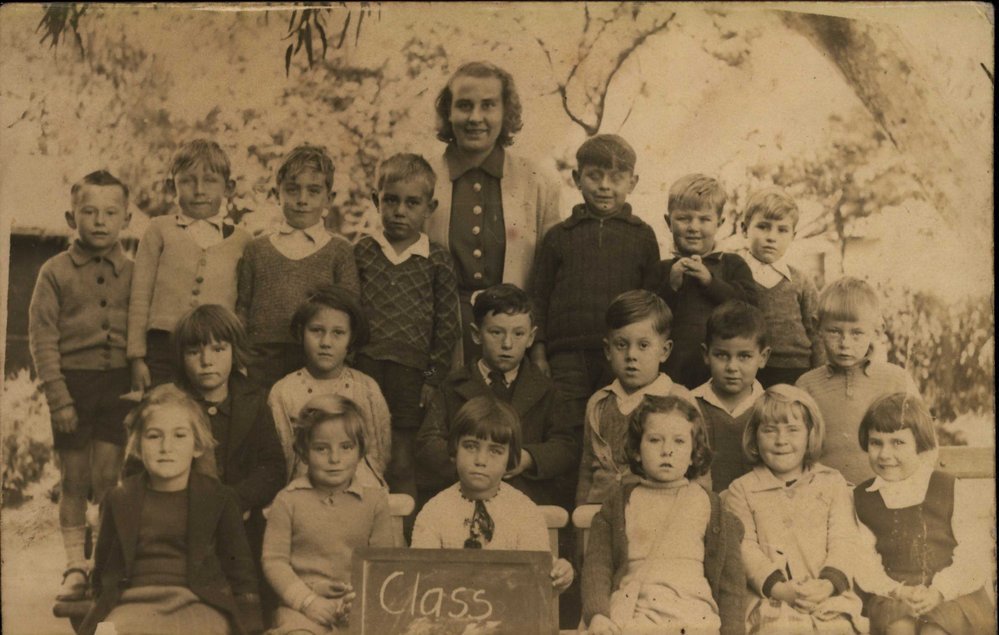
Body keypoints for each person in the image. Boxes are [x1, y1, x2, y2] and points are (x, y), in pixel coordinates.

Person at [79, 384, 262, 635]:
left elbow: (241, 574)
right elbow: (102, 571)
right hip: (131, 604)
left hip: (201, 603)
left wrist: (251, 626)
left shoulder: (219, 498)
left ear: (197, 446)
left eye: (179, 435)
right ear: (138, 447)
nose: (166, 446)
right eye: (154, 436)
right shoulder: (119, 498)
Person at [28, 170, 135, 601]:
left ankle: (104, 563)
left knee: (110, 478)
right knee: (74, 478)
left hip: (119, 388)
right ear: (71, 218)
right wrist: (58, 398)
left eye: (111, 212)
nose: (99, 221)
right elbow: (41, 337)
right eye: (88, 212)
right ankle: (74, 564)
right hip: (73, 386)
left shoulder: (135, 271)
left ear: (126, 218)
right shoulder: (53, 272)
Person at [426, 61, 561, 364]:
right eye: (464, 106)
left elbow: (550, 278)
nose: (475, 118)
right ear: (449, 113)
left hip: (515, 344)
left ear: (506, 112)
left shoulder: (538, 182)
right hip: (441, 345)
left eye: (488, 105)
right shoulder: (424, 179)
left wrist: (538, 347)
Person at [530, 134, 660, 445]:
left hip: (621, 354)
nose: (604, 186)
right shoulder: (559, 236)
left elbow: (654, 300)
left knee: (621, 427)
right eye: (594, 176)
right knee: (567, 428)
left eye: (616, 178)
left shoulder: (642, 236)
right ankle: (566, 495)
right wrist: (538, 351)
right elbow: (539, 296)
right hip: (566, 356)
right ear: (577, 178)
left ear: (633, 182)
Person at [582, 395, 744, 635]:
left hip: (693, 613)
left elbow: (732, 582)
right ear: (637, 450)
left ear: (693, 454)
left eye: (679, 442)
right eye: (655, 440)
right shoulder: (618, 505)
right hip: (634, 609)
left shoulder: (712, 508)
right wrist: (597, 614)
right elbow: (598, 565)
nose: (667, 451)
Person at [353, 153, 460, 504]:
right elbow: (349, 316)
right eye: (391, 200)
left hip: (411, 377)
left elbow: (446, 327)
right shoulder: (362, 252)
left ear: (430, 207)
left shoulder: (437, 258)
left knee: (401, 461)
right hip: (365, 370)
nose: (400, 211)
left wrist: (430, 378)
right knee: (362, 456)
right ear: (375, 200)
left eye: (412, 203)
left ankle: (403, 544)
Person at [415, 284, 577, 508]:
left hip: (524, 500)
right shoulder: (452, 387)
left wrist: (526, 458)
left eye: (518, 334)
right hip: (462, 497)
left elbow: (565, 446)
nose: (507, 344)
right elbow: (428, 443)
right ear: (476, 334)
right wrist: (470, 463)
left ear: (531, 338)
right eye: (496, 332)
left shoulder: (547, 390)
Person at [724, 384, 866, 634]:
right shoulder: (741, 490)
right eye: (769, 431)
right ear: (755, 437)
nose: (781, 441)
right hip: (770, 600)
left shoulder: (831, 482)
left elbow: (845, 539)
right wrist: (779, 589)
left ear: (810, 435)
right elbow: (744, 548)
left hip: (828, 598)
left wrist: (828, 585)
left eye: (793, 430)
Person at [852, 393, 995, 635]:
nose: (885, 454)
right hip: (893, 595)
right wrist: (898, 591)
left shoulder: (947, 487)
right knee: (899, 628)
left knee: (936, 631)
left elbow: (972, 553)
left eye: (898, 443)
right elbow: (863, 561)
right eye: (876, 443)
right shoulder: (864, 497)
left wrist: (940, 591)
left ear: (919, 444)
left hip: (952, 594)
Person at [412, 396, 574, 596]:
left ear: (511, 459)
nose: (481, 460)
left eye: (495, 451)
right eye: (470, 446)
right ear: (454, 449)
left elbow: (537, 586)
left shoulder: (524, 512)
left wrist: (557, 575)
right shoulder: (434, 512)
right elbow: (423, 583)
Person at [262, 398, 395, 634]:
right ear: (303, 453)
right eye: (321, 448)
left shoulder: (375, 502)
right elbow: (274, 562)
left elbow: (381, 565)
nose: (334, 459)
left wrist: (357, 603)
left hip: (357, 606)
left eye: (346, 447)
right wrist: (307, 601)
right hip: (302, 608)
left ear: (361, 450)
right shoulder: (288, 500)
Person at [128, 139, 252, 390]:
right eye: (187, 180)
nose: (199, 190)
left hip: (216, 349)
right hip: (163, 347)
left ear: (228, 188)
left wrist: (238, 357)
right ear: (171, 186)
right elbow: (140, 296)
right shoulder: (158, 230)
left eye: (210, 181)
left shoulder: (242, 240)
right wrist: (136, 357)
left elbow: (244, 306)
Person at [236, 144, 360, 390]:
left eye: (313, 191)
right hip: (260, 361)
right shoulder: (257, 248)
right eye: (292, 190)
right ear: (276, 193)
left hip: (315, 361)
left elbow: (350, 313)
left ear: (329, 198)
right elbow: (243, 306)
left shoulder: (339, 250)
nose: (302, 200)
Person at [171, 304, 286, 560]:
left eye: (218, 349)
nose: (206, 361)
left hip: (242, 522)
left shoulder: (254, 401)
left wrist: (235, 500)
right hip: (183, 520)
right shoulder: (171, 404)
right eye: (193, 352)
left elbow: (273, 467)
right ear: (181, 357)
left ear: (235, 352)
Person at [796, 276, 920, 485]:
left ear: (877, 330)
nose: (845, 343)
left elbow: (924, 443)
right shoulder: (806, 386)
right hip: (823, 497)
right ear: (817, 326)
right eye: (835, 331)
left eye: (857, 333)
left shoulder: (896, 380)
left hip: (885, 497)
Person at [576, 290, 694, 506]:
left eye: (643, 345)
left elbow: (698, 469)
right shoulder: (599, 403)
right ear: (608, 350)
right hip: (601, 512)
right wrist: (581, 513)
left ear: (665, 350)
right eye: (621, 345)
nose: (631, 355)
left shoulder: (678, 399)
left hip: (658, 513)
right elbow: (587, 469)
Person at [267, 286, 390, 485]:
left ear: (352, 338)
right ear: (301, 333)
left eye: (338, 333)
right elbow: (284, 460)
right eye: (316, 331)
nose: (326, 342)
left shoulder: (366, 388)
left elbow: (378, 456)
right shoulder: (283, 392)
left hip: (361, 490)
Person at [657, 174, 757, 389]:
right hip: (672, 372)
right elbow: (647, 320)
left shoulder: (732, 264)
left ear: (719, 222)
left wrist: (710, 282)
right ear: (668, 222)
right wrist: (671, 287)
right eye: (684, 218)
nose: (693, 227)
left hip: (722, 374)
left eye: (704, 219)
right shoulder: (662, 269)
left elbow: (750, 308)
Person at [737, 187, 824, 387]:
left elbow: (816, 332)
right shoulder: (736, 276)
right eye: (763, 227)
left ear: (793, 235)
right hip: (748, 370)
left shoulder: (800, 281)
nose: (771, 237)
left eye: (782, 230)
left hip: (797, 371)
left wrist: (820, 376)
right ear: (744, 229)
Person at [691, 301, 769, 492]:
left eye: (744, 356)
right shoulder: (689, 405)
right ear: (706, 354)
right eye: (722, 355)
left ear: (763, 357)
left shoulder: (770, 407)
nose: (732, 367)